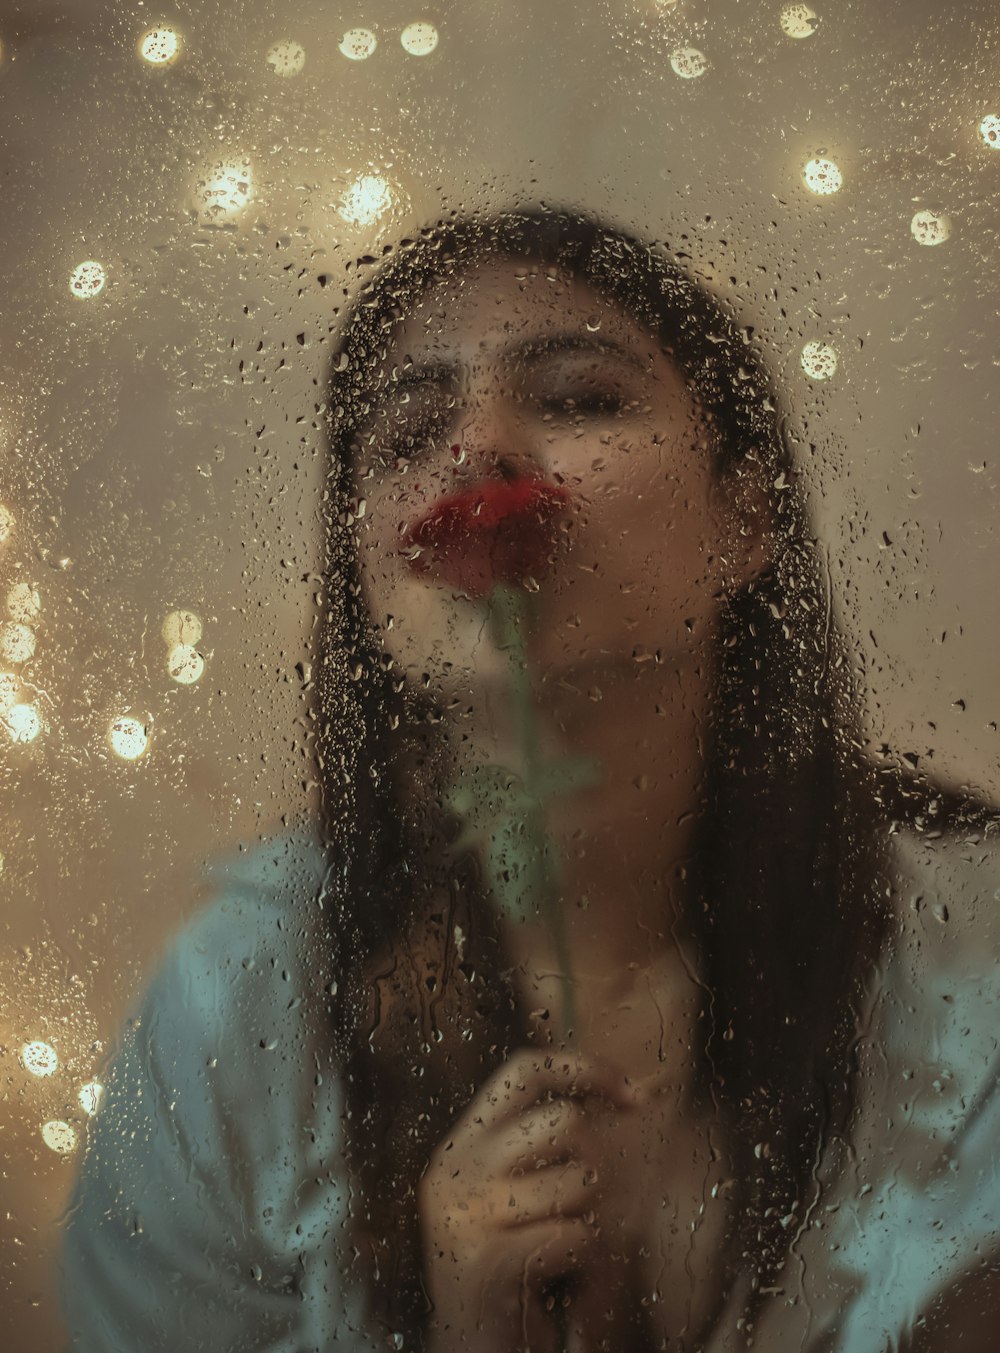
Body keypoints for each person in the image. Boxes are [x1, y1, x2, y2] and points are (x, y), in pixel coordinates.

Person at [60, 207, 1000, 1352]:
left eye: (578, 400)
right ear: (364, 574)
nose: (478, 449)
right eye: (409, 431)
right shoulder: (236, 1009)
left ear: (745, 518)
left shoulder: (975, 962)